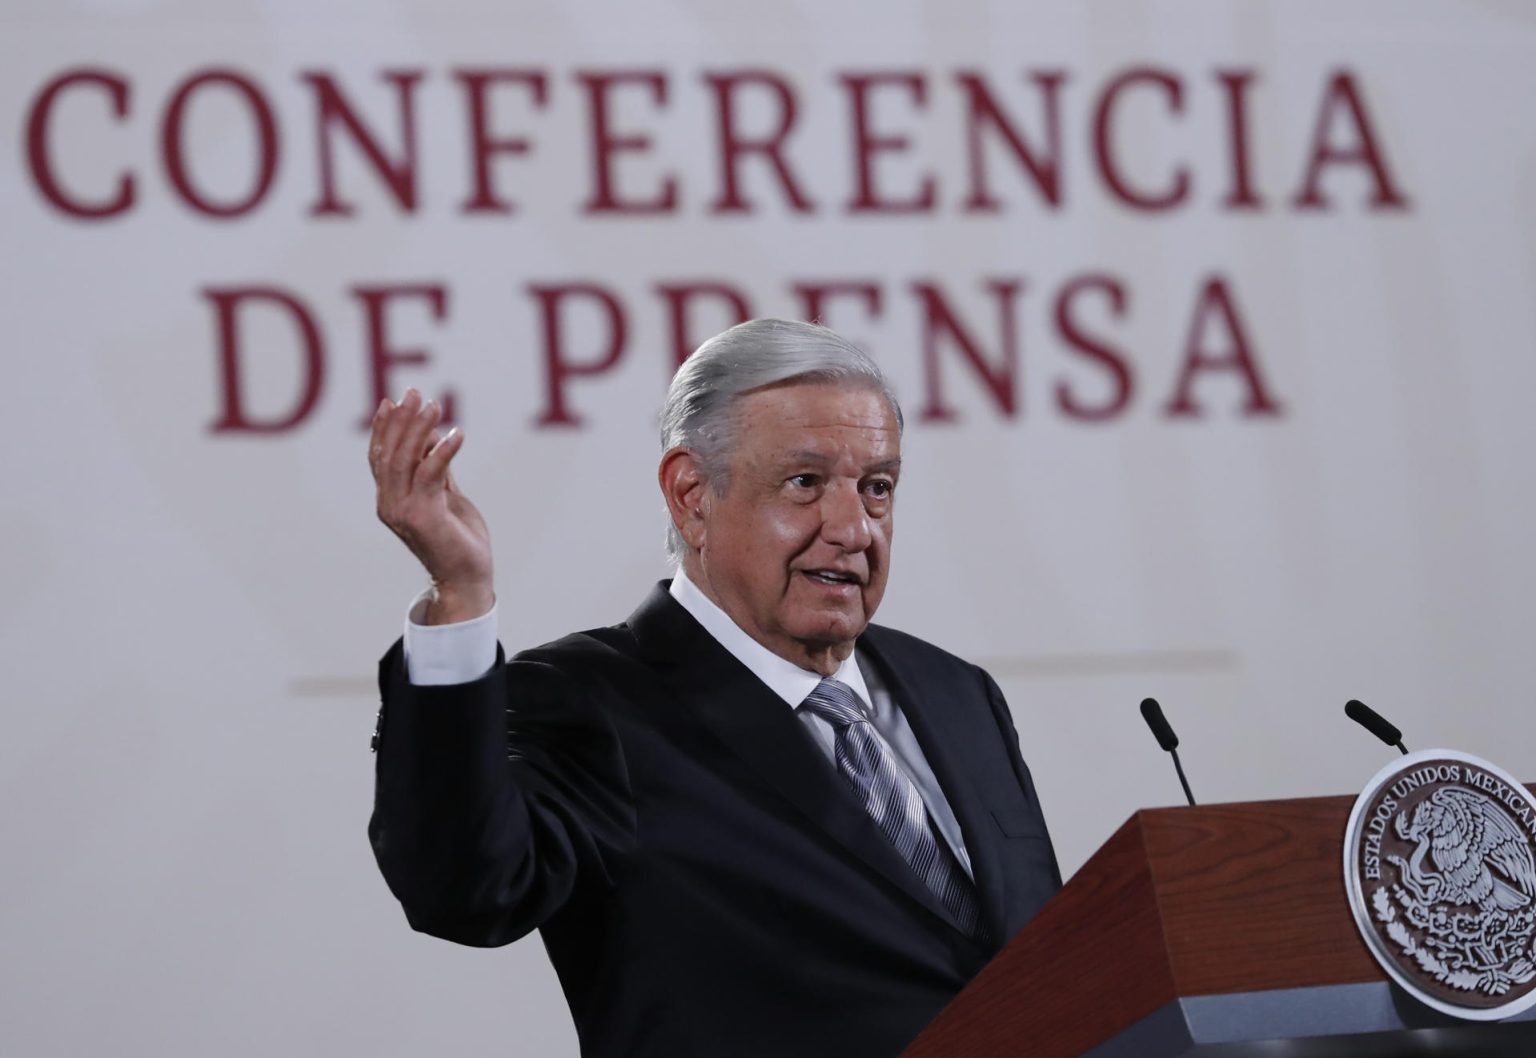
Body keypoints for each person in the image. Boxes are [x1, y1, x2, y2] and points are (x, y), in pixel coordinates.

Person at [366, 319, 1061, 1058]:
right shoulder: (591, 703)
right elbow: (463, 890)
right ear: (692, 495)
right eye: (805, 484)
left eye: (877, 487)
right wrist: (460, 597)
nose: (854, 528)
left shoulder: (958, 694)